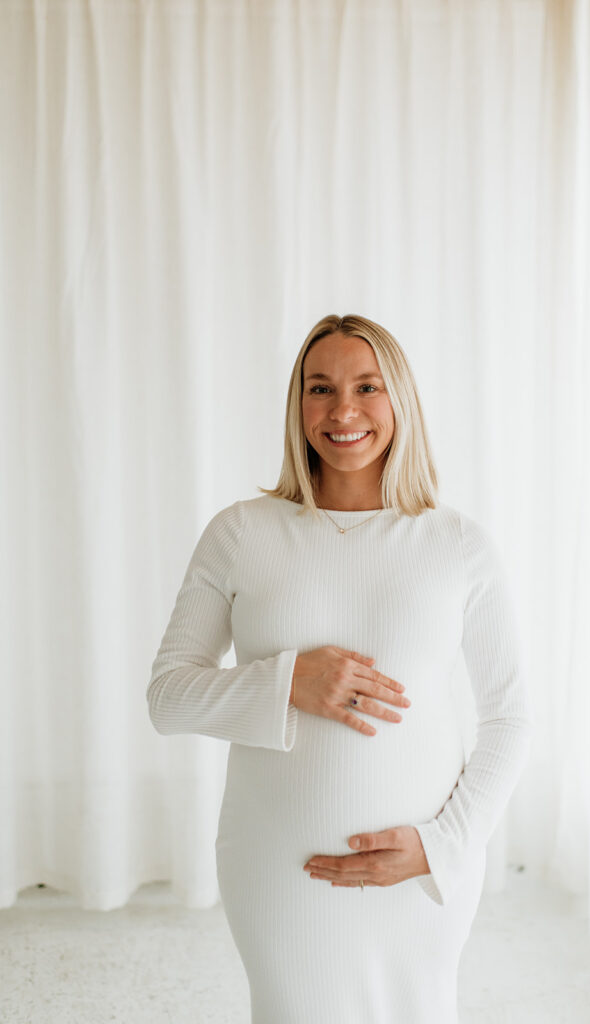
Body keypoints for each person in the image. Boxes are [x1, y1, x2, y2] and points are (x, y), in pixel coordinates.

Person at [146, 313, 533, 1023]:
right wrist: (285, 680)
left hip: (420, 872)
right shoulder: (241, 533)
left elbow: (509, 717)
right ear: (297, 405)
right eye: (318, 388)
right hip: (277, 868)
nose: (342, 410)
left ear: (401, 402)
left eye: (367, 387)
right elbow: (168, 697)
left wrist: (442, 845)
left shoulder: (456, 544)